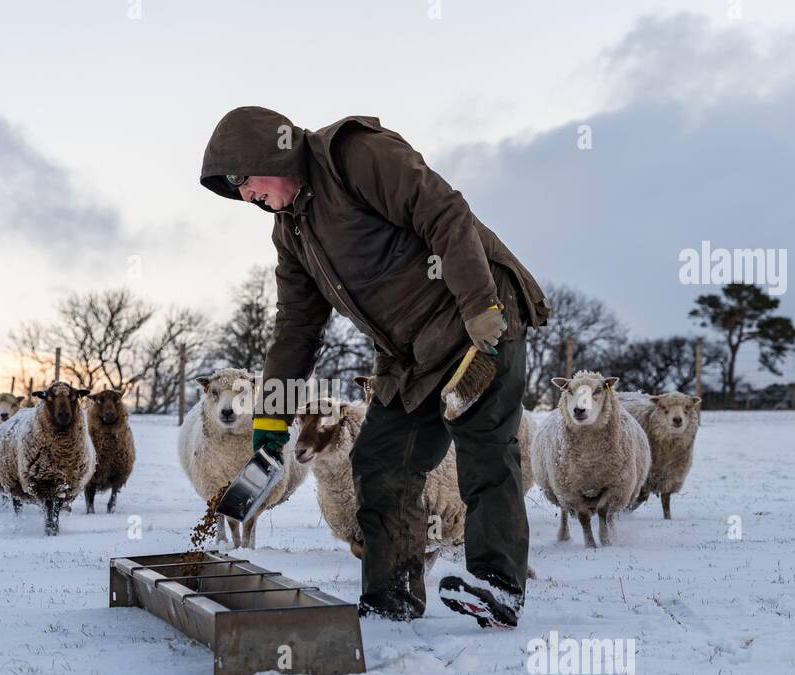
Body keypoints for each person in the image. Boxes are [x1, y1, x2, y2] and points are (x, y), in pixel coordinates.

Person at [199, 107, 549, 628]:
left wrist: (480, 304)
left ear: (268, 153)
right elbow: (296, 326)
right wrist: (273, 418)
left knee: (485, 447)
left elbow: (443, 211)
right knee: (382, 460)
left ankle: (497, 586)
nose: (247, 197)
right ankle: (392, 597)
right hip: (411, 358)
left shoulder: (354, 157)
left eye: (244, 181)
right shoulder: (291, 232)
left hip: (479, 325)